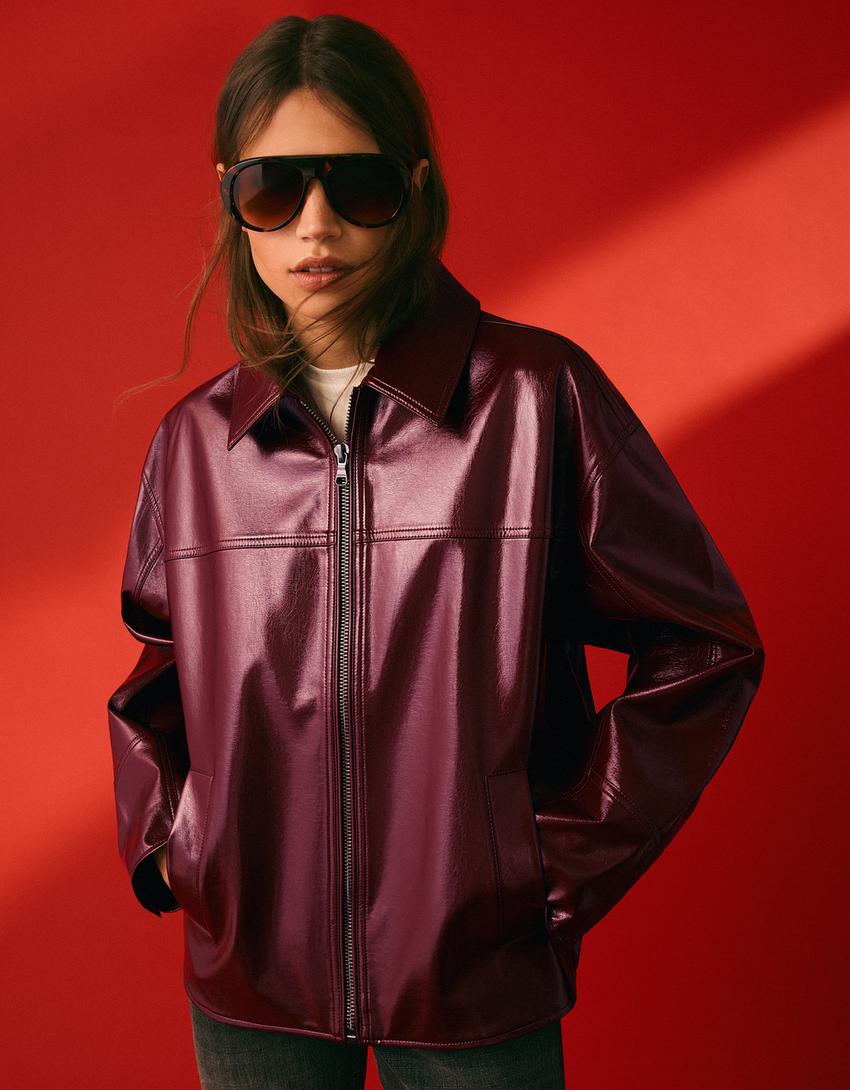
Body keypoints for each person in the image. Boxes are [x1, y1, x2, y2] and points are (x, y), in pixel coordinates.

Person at [106, 14, 765, 1090]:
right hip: (249, 977)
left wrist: (546, 863)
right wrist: (172, 842)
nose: (315, 226)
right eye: (274, 190)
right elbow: (161, 667)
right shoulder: (196, 443)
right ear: (231, 197)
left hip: (473, 974)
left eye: (357, 185)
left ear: (413, 187)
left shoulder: (534, 398)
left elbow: (704, 645)